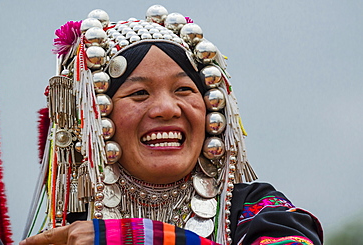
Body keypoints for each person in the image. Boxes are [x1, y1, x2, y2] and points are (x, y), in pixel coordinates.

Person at [20, 5, 323, 245]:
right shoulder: (68, 230)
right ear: (96, 120)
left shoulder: (257, 211)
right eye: (139, 93)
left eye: (183, 90)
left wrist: (136, 237)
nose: (167, 109)